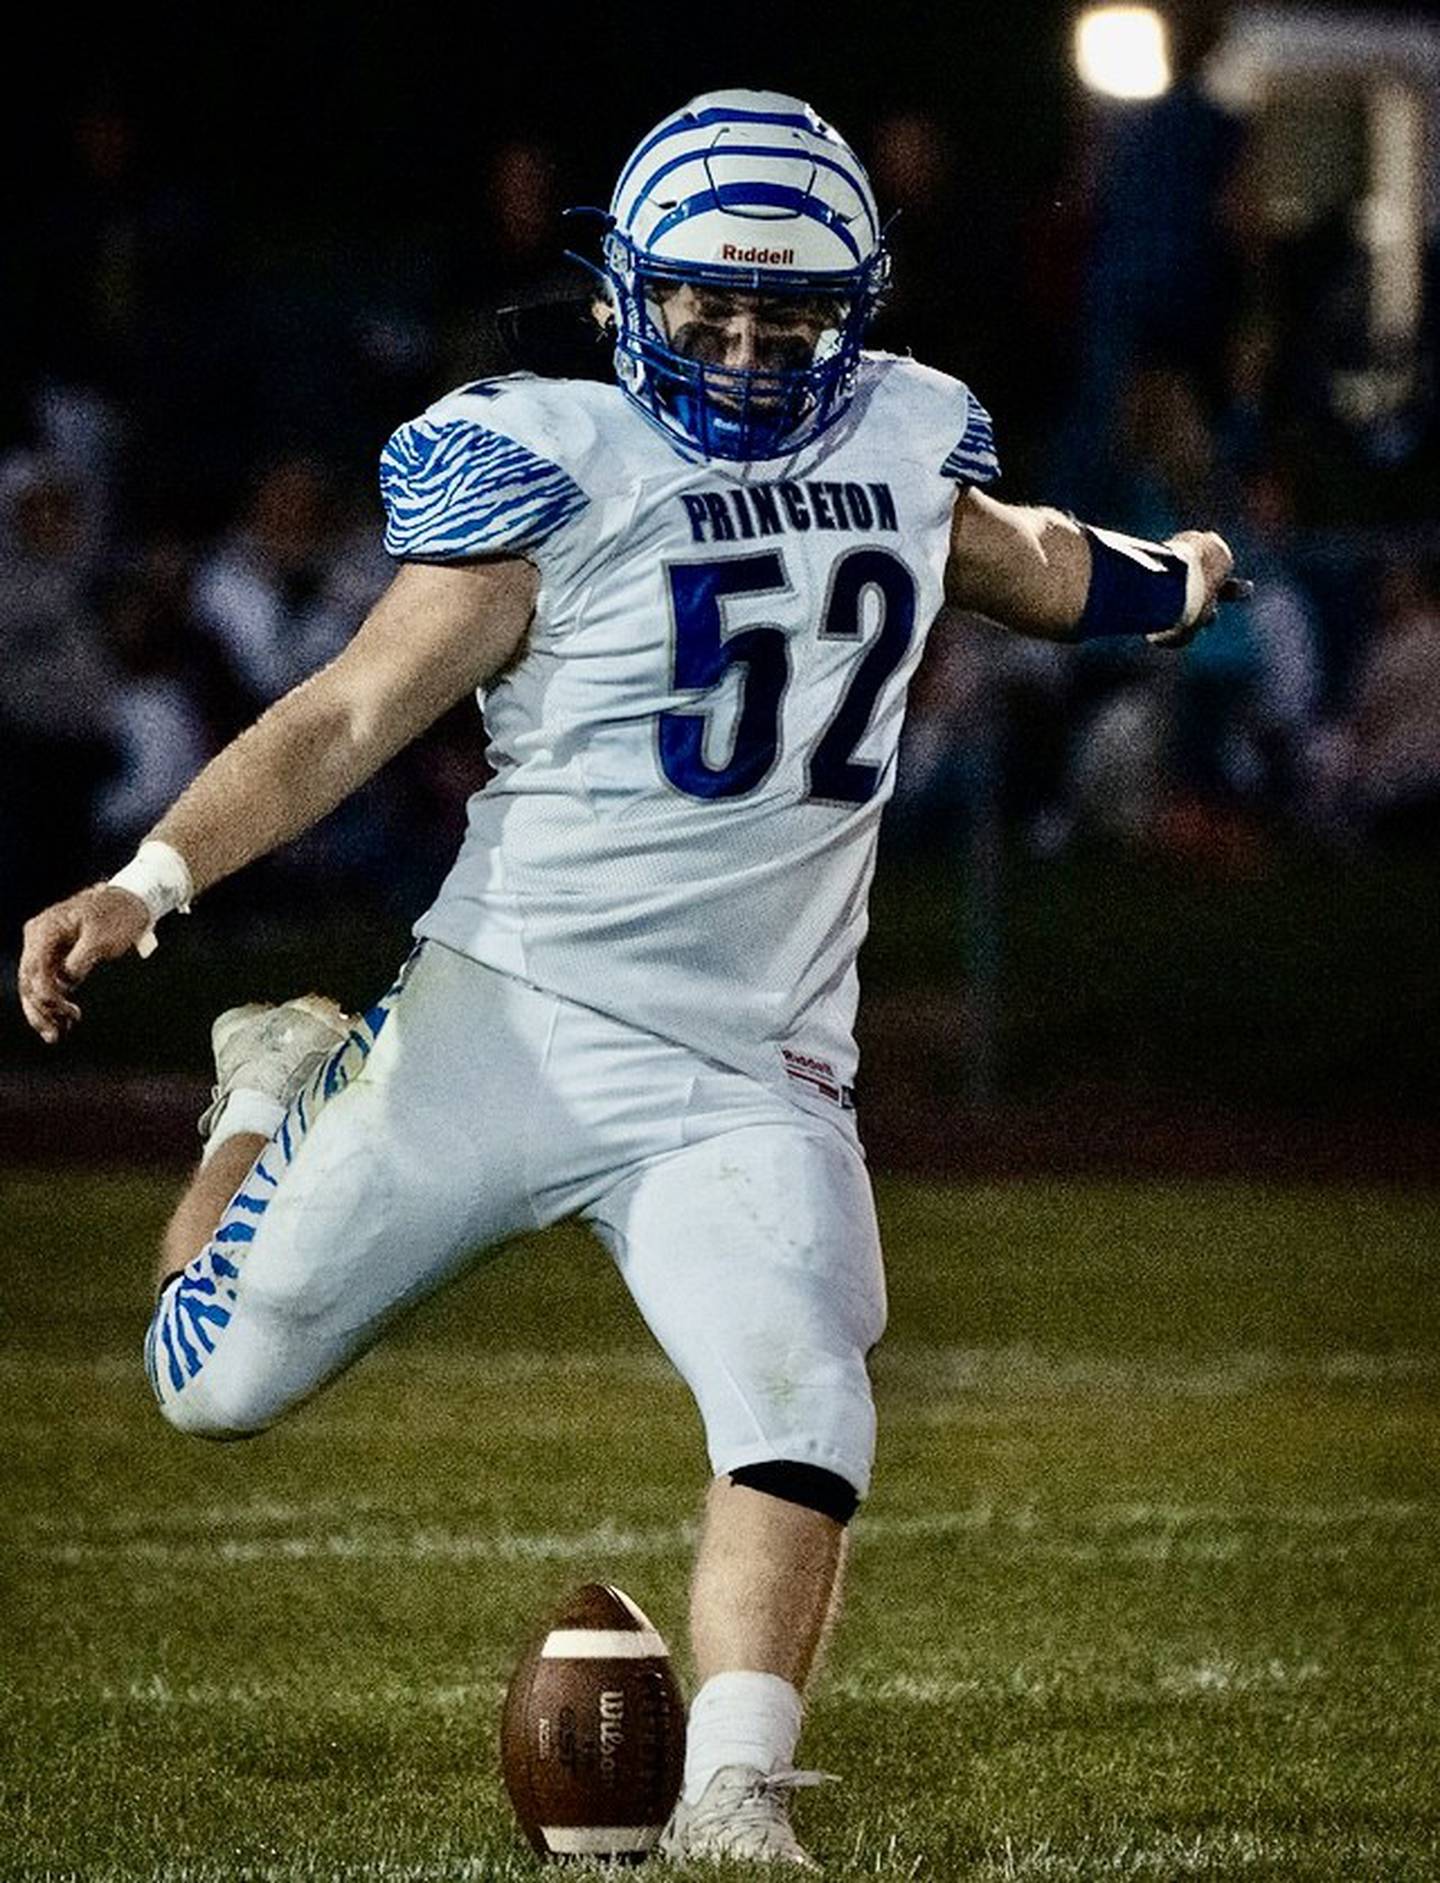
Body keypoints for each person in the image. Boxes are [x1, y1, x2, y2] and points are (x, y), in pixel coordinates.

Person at [17, 90, 1241, 1868]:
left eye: (786, 318)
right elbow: (351, 711)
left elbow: (1021, 562)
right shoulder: (548, 462)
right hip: (507, 1018)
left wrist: (1168, 577)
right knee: (205, 1386)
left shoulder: (908, 438)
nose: (744, 353)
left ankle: (739, 1795)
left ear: (859, 308)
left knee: (806, 1394)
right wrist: (155, 871)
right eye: (705, 312)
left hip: (751, 1065)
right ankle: (270, 1084)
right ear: (626, 295)